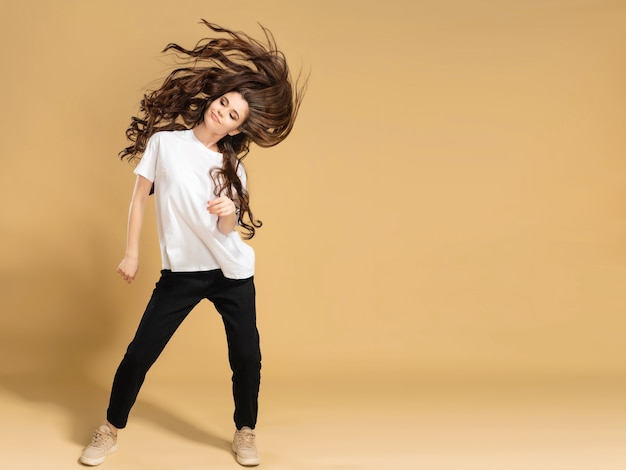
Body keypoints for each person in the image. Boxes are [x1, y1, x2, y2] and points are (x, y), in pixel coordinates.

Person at [79, 20, 306, 467]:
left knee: (246, 355)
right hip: (181, 273)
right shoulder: (165, 143)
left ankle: (245, 431)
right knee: (139, 353)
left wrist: (227, 216)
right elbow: (138, 199)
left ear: (238, 127)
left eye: (233, 114)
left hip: (231, 273)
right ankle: (109, 430)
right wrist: (131, 252)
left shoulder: (233, 169)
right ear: (213, 101)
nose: (222, 112)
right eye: (223, 103)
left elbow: (226, 235)